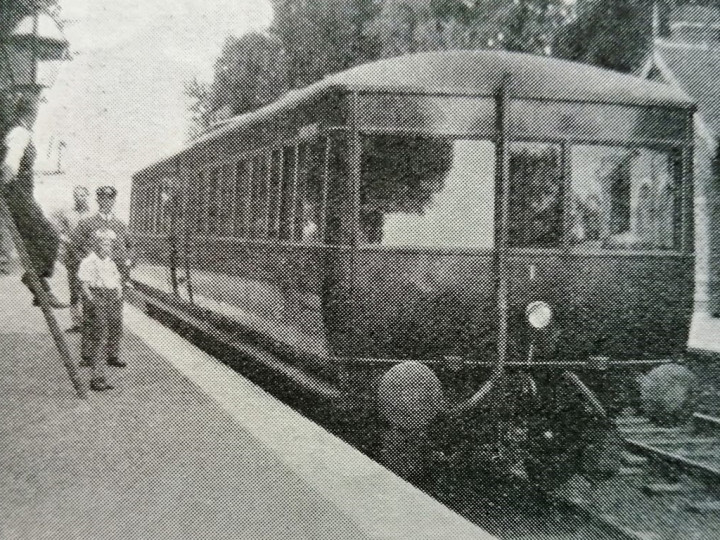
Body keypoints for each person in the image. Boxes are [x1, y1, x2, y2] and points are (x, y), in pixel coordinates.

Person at [0, 95, 66, 307]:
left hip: (21, 193)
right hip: (17, 194)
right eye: (35, 112)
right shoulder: (20, 133)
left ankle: (41, 289)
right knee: (50, 236)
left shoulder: (19, 132)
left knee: (39, 239)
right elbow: (10, 165)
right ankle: (34, 280)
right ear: (30, 113)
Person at [73, 185, 131, 367]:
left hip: (114, 282)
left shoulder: (121, 225)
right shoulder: (86, 224)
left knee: (115, 319)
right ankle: (88, 356)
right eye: (103, 199)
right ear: (98, 201)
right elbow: (74, 248)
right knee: (91, 318)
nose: (107, 202)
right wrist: (86, 268)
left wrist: (129, 263)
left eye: (110, 199)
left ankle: (112, 355)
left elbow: (132, 247)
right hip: (94, 283)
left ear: (114, 201)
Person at [77, 229, 123, 391]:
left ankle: (99, 376)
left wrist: (118, 293)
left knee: (108, 335)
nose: (107, 247)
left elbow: (117, 281)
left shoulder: (110, 262)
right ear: (96, 245)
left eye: (109, 244)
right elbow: (84, 286)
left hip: (111, 300)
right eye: (103, 244)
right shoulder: (88, 262)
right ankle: (97, 379)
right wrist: (94, 302)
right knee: (100, 338)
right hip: (98, 298)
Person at [52, 185, 92, 332]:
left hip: (89, 258)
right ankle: (76, 323)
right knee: (74, 291)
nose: (79, 198)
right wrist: (67, 240)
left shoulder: (93, 214)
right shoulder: (68, 214)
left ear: (87, 196)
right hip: (73, 258)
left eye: (82, 195)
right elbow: (59, 233)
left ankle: (89, 323)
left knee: (90, 290)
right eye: (76, 195)